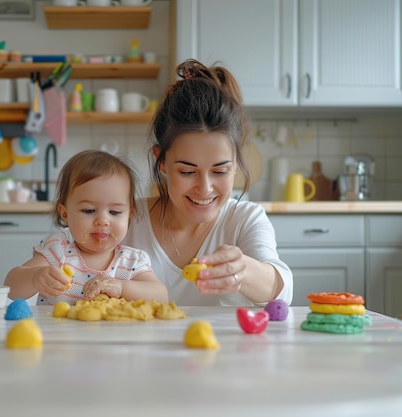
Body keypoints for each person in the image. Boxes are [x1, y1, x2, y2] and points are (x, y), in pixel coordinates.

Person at [122, 59, 293, 306]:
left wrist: (243, 270)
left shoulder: (244, 219)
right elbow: (63, 255)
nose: (204, 188)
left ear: (235, 163)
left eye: (220, 171)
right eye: (187, 172)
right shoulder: (125, 219)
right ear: (161, 162)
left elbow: (282, 291)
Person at [5, 150, 169, 305]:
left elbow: (161, 295)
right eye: (89, 210)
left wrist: (122, 287)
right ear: (65, 213)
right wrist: (34, 278)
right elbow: (11, 288)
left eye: (115, 212)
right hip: (58, 334)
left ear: (129, 215)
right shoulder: (57, 254)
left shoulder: (131, 262)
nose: (103, 220)